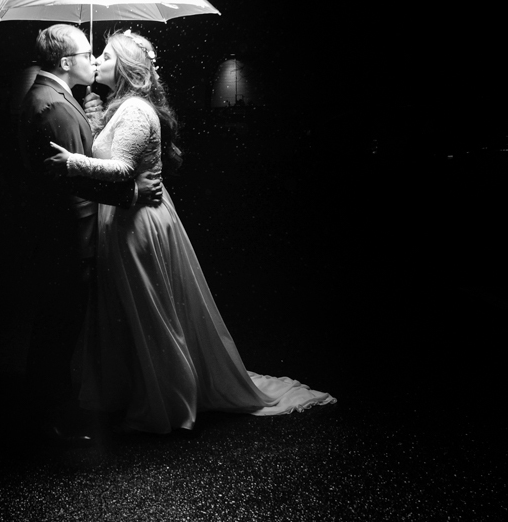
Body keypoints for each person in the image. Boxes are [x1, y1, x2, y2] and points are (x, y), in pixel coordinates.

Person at [46, 29, 335, 434]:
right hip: (125, 217)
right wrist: (95, 121)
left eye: (106, 57)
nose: (96, 61)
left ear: (126, 68)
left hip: (138, 224)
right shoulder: (121, 107)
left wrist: (73, 162)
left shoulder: (135, 110)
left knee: (150, 314)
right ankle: (142, 388)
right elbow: (117, 154)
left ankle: (167, 398)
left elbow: (123, 169)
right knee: (132, 312)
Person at [18, 24, 164, 441]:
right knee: (59, 326)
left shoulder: (58, 99)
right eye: (88, 54)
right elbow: (73, 181)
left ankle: (50, 407)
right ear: (67, 63)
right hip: (68, 235)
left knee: (60, 324)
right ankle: (49, 416)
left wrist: (94, 121)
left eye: (102, 55)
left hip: (69, 233)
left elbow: (84, 159)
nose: (94, 59)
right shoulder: (55, 106)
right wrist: (133, 191)